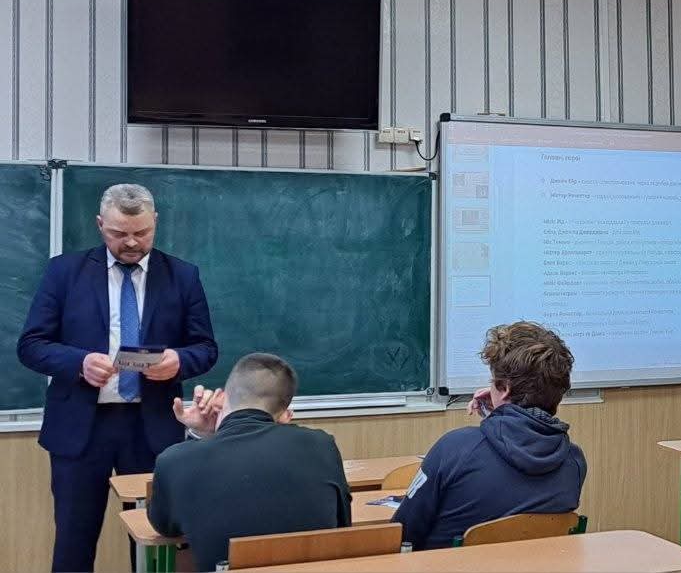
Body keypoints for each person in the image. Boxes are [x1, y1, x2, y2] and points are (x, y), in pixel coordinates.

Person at [16, 183, 218, 572]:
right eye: (118, 233)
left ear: (155, 222)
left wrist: (178, 361)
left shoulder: (182, 276)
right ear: (99, 225)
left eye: (141, 232)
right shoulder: (64, 272)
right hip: (81, 427)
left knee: (155, 541)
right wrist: (78, 362)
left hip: (152, 427)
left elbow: (206, 348)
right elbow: (31, 345)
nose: (131, 243)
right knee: (73, 542)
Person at [149, 353, 350, 573]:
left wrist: (199, 436)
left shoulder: (175, 460)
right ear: (284, 412)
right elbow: (343, 524)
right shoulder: (322, 446)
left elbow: (166, 526)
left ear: (221, 398)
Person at [395, 321, 587, 549]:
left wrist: (499, 414)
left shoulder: (455, 449)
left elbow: (403, 533)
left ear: (504, 388)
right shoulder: (573, 461)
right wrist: (498, 413)